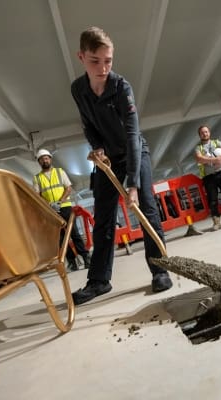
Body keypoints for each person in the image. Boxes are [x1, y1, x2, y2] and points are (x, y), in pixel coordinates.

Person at [70, 26, 172, 305]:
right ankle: (99, 281)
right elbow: (88, 125)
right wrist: (97, 148)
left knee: (146, 209)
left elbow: (131, 135)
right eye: (95, 61)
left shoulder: (121, 87)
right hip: (107, 160)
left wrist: (133, 185)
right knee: (103, 218)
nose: (102, 68)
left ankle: (160, 270)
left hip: (135, 153)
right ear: (81, 57)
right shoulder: (78, 89)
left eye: (108, 61)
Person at [33, 148, 91, 272]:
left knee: (74, 233)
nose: (45, 160)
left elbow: (68, 188)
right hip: (51, 211)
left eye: (47, 158)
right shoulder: (37, 178)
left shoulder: (59, 172)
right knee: (60, 237)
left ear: (50, 159)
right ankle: (72, 262)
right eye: (42, 159)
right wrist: (49, 204)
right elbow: (37, 195)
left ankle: (86, 258)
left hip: (65, 207)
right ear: (39, 162)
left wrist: (61, 201)